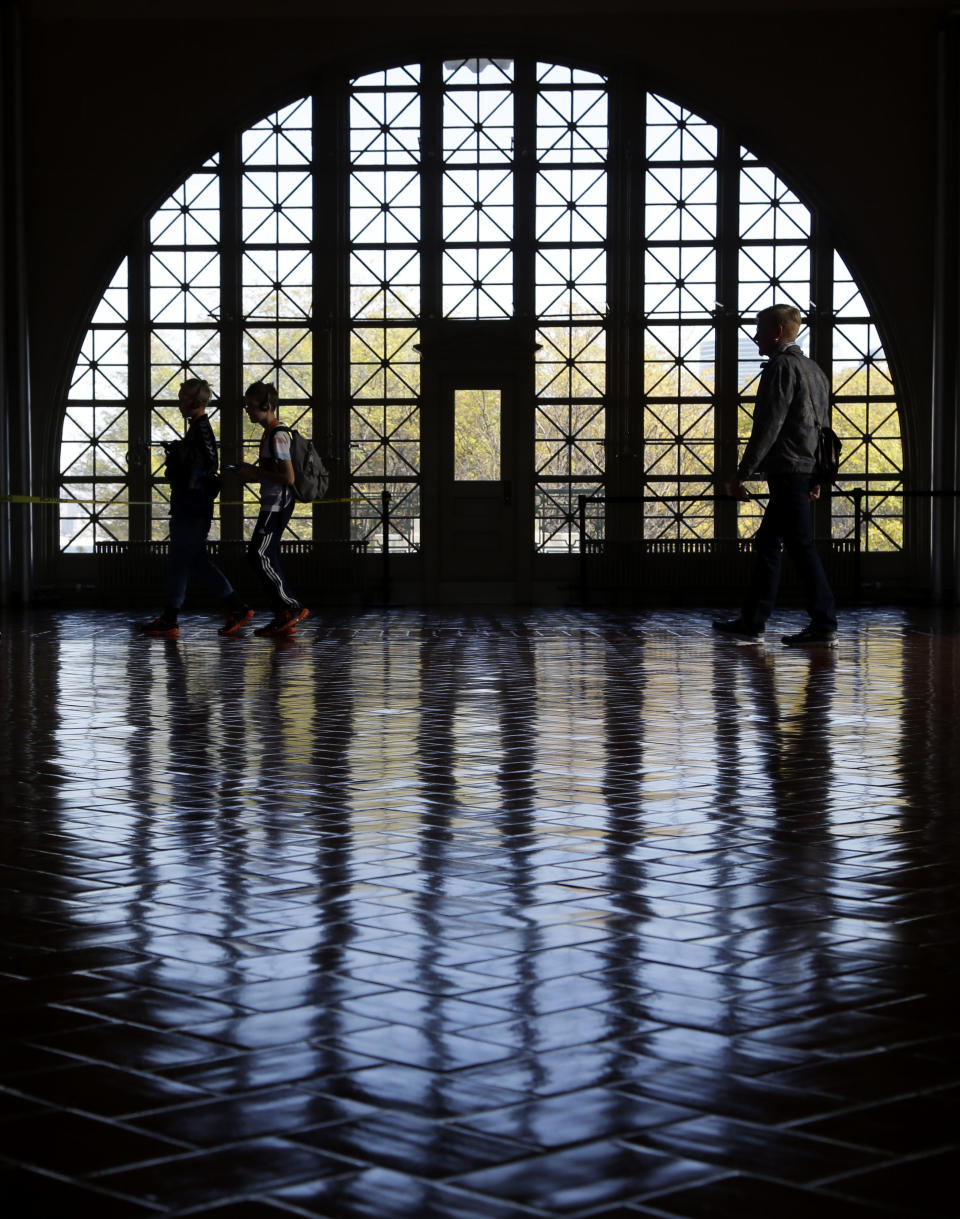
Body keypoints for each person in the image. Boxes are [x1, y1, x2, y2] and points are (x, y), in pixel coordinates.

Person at [714, 304, 838, 647]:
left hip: (786, 471)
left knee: (800, 545)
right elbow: (822, 428)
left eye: (758, 329)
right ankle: (753, 619)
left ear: (776, 332)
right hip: (803, 471)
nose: (754, 336)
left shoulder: (780, 369)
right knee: (772, 542)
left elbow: (769, 426)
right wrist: (816, 478)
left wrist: (741, 474)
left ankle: (822, 621)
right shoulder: (814, 370)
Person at [140, 379, 253, 639]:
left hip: (192, 507)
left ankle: (235, 607)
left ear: (197, 403)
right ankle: (172, 617)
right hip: (189, 505)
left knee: (188, 559)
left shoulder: (201, 429)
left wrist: (184, 464)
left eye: (183, 398)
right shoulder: (197, 429)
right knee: (186, 559)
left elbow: (209, 464)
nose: (179, 402)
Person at [238, 381, 309, 637]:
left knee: (259, 555)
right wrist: (251, 473)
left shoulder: (278, 435)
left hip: (277, 505)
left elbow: (288, 478)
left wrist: (254, 471)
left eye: (250, 406)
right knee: (262, 555)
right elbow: (274, 473)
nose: (247, 411)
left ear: (266, 405)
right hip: (272, 502)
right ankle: (281, 611)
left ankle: (290, 606)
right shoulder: (269, 433)